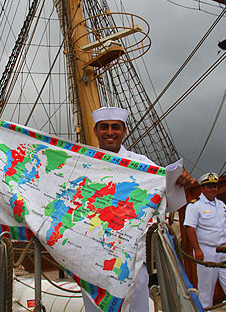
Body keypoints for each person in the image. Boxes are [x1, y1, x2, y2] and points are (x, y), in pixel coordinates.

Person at [82, 107, 195, 312]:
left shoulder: (141, 164)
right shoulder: (83, 162)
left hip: (132, 259)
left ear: (124, 131)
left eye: (116, 127)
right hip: (92, 257)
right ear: (95, 130)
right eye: (104, 127)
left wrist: (180, 183)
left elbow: (164, 197)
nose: (110, 132)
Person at [183, 172, 226, 308]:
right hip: (207, 251)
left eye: (215, 186)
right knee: (206, 289)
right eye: (209, 186)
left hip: (225, 250)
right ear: (202, 188)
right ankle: (205, 309)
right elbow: (189, 228)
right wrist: (197, 250)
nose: (213, 189)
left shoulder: (221, 205)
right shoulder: (194, 206)